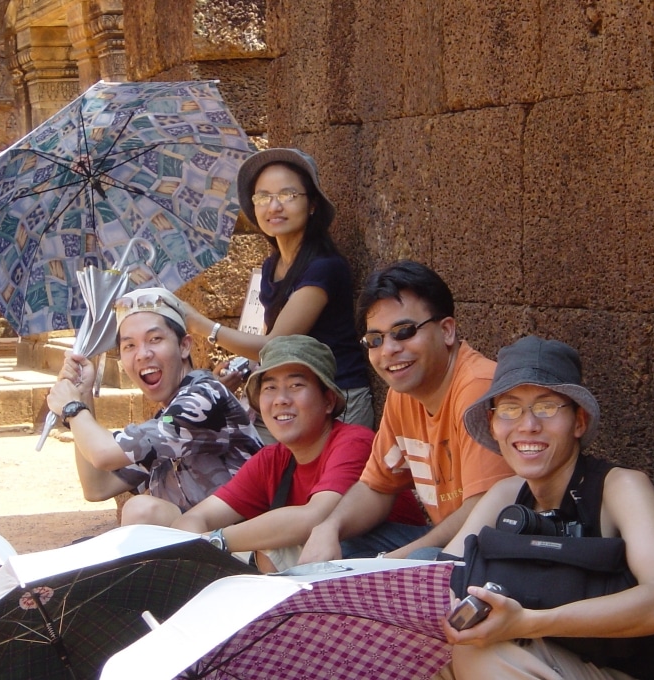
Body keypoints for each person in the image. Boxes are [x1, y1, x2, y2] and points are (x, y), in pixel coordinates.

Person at [438, 335, 654, 679]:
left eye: (546, 407)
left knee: (478, 656)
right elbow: (438, 580)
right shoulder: (505, 494)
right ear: (493, 424)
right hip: (543, 659)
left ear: (579, 422)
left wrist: (529, 623)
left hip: (625, 671)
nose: (528, 425)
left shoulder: (622, 488)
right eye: (510, 408)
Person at [300, 260, 514, 562]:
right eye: (375, 339)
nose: (388, 350)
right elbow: (376, 488)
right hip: (444, 536)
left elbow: (482, 511)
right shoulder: (403, 393)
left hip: (497, 547)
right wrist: (328, 528)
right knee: (340, 548)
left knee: (421, 556)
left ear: (447, 331)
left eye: (404, 331)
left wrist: (390, 562)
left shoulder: (477, 387)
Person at [172, 335, 425, 572]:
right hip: (333, 571)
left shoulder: (353, 442)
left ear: (328, 401)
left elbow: (314, 517)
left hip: (398, 566)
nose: (281, 399)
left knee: (275, 542)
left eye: (296, 385)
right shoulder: (271, 460)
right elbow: (196, 519)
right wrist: (201, 539)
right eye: (270, 388)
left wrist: (216, 541)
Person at [181, 148, 374, 429]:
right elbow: (272, 342)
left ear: (312, 204)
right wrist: (243, 366)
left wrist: (203, 327)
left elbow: (275, 345)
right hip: (294, 397)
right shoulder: (272, 266)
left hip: (338, 400)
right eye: (263, 197)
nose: (274, 207)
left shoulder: (324, 267)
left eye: (288, 195)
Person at [46, 287, 263, 526]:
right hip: (206, 544)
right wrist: (84, 392)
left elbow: (104, 454)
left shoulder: (203, 398)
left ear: (184, 346)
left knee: (141, 510)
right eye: (129, 346)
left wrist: (73, 408)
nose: (142, 354)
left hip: (244, 551)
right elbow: (98, 486)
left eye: (155, 339)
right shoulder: (167, 417)